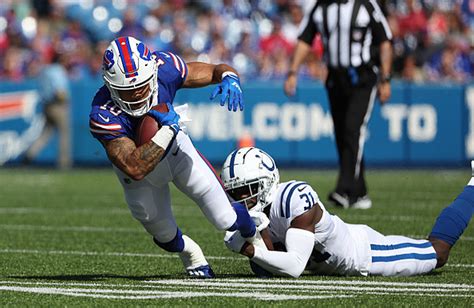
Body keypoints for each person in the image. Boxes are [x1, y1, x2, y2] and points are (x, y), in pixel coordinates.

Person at [89, 36, 256, 278]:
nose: (136, 95)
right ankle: (190, 253)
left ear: (152, 73)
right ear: (109, 85)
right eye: (128, 90)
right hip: (140, 177)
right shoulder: (103, 113)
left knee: (225, 216)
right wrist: (167, 130)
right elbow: (135, 168)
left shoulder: (164, 67)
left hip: (177, 153)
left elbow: (211, 70)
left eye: (141, 87)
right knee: (164, 235)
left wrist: (228, 75)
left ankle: (258, 237)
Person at [221, 147, 473, 278]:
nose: (242, 199)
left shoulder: (293, 198)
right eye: (235, 193)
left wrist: (249, 249)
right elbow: (268, 268)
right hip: (331, 256)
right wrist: (253, 233)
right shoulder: (252, 217)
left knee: (437, 252)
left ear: (266, 182)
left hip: (362, 254)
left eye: (248, 190)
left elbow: (294, 266)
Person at [284, 0, 394, 209]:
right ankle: (359, 192)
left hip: (363, 77)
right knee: (343, 133)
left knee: (353, 129)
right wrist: (292, 72)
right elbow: (305, 39)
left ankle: (344, 189)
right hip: (335, 79)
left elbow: (385, 40)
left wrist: (385, 79)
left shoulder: (365, 5)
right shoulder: (320, 7)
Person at [24, 52, 71, 169]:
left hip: (47, 105)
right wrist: (65, 100)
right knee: (64, 133)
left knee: (46, 133)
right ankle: (64, 163)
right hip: (57, 105)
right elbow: (59, 91)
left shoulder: (46, 70)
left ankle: (30, 153)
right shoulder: (58, 71)